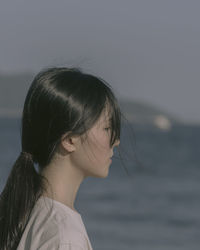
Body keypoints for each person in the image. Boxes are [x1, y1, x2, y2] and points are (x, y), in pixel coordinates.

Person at [0, 67, 121, 250]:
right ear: (70, 140)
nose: (116, 141)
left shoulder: (27, 212)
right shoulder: (65, 237)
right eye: (106, 128)